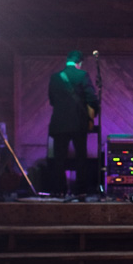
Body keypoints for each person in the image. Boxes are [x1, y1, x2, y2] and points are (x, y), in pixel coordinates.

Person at [47, 50, 100, 198]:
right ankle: (80, 190)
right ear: (79, 63)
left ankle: (59, 190)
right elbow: (91, 98)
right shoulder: (82, 75)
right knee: (81, 158)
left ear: (67, 61)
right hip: (78, 123)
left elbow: (52, 100)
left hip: (59, 123)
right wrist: (92, 115)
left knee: (59, 159)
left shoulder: (55, 77)